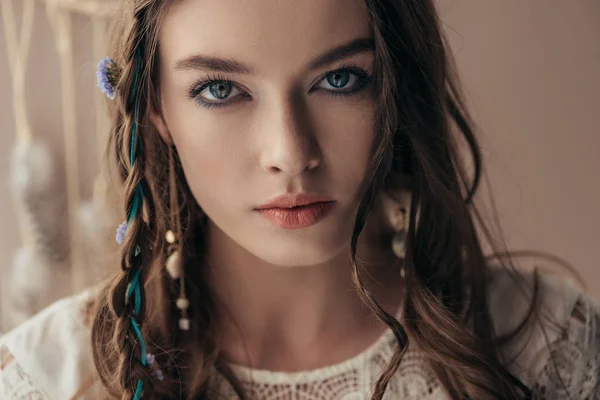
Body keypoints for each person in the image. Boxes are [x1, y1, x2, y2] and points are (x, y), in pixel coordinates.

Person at [1, 0, 598, 399]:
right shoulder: (50, 377)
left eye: (340, 79)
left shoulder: (549, 346)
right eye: (219, 89)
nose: (290, 152)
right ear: (155, 107)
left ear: (396, 81)